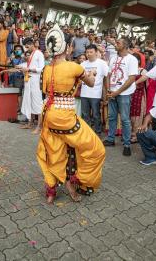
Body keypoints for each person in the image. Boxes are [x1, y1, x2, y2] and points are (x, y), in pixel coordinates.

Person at [37, 25, 105, 204]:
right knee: (96, 149)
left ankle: (52, 191)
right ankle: (77, 180)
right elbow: (90, 83)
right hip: (66, 119)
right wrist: (91, 73)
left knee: (55, 153)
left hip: (49, 117)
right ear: (68, 47)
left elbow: (45, 91)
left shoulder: (45, 69)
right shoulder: (74, 67)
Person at [104, 37, 138, 156]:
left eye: (118, 42)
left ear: (125, 45)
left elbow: (131, 78)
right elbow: (108, 75)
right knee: (112, 117)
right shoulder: (113, 58)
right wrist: (108, 89)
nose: (115, 44)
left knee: (124, 119)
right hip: (112, 92)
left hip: (124, 93)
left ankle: (127, 144)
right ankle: (110, 139)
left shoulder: (132, 59)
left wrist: (116, 92)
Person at [80, 45, 109, 136]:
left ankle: (97, 133)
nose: (88, 54)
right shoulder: (83, 64)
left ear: (96, 52)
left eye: (91, 52)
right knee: (85, 115)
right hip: (84, 93)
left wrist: (107, 91)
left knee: (96, 115)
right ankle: (87, 133)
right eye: (87, 52)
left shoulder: (102, 63)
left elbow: (106, 77)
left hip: (96, 93)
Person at [18, 39, 45, 133]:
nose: (26, 49)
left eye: (27, 46)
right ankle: (30, 123)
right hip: (29, 80)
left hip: (36, 81)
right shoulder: (32, 54)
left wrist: (29, 69)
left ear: (31, 44)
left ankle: (39, 127)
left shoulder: (39, 54)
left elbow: (41, 68)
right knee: (29, 101)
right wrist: (24, 68)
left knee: (37, 103)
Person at [130, 53, 147, 143]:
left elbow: (147, 84)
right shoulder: (128, 70)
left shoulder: (143, 71)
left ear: (139, 61)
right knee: (130, 114)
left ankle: (136, 135)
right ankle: (130, 133)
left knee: (138, 114)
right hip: (129, 94)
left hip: (139, 95)